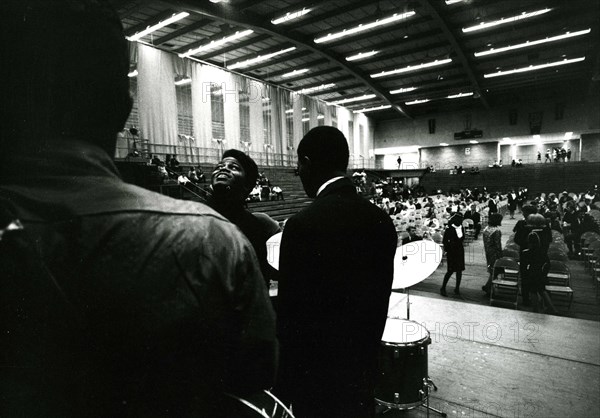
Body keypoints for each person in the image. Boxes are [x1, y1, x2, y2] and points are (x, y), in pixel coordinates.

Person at [0, 2, 277, 416]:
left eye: (234, 167)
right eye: (221, 164)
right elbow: (252, 375)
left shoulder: (243, 230)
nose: (223, 170)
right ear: (123, 107)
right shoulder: (211, 242)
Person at [276, 126, 397, 417]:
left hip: (316, 380)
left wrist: (285, 385)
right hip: (362, 370)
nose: (298, 172)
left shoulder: (301, 225)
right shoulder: (381, 221)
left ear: (307, 162)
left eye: (298, 165)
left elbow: (291, 318)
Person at [209, 149, 281, 287]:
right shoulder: (194, 218)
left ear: (247, 185)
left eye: (234, 167)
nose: (223, 169)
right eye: (219, 166)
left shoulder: (262, 225)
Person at [520, 232, 558, 314]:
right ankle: (552, 308)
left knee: (533, 292)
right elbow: (548, 264)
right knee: (542, 291)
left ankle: (536, 309)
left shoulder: (526, 253)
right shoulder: (542, 252)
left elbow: (523, 266)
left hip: (531, 274)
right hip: (540, 274)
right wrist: (544, 273)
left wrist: (525, 274)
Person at [440, 213, 465, 296]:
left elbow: (462, 238)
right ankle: (443, 288)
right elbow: (444, 241)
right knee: (450, 271)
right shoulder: (449, 228)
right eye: (460, 219)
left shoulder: (462, 227)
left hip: (460, 251)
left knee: (459, 271)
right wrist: (447, 250)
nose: (461, 221)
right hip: (452, 252)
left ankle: (457, 288)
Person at [482, 213, 504, 295]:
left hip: (488, 251)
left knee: (492, 269)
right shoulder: (496, 231)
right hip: (495, 252)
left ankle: (488, 286)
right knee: (496, 270)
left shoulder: (486, 229)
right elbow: (498, 245)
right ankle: (488, 287)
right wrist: (501, 255)